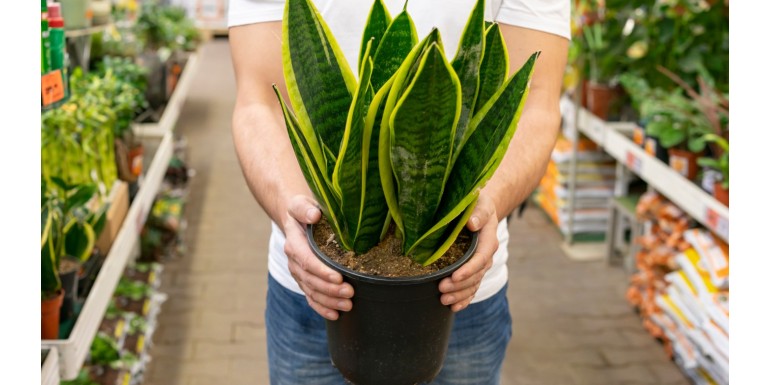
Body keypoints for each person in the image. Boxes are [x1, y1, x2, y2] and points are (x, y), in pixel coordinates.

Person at [227, 0, 569, 383]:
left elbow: (536, 100)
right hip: (312, 285)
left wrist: (486, 204)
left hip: (462, 294)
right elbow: (257, 101)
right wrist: (292, 211)